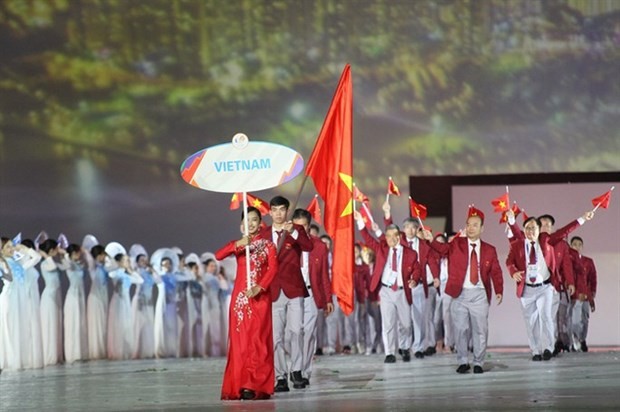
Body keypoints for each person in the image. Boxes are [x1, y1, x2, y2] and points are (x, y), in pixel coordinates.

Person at [423, 207, 503, 374]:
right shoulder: (457, 244)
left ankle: (479, 362)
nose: (471, 228)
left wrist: (499, 290)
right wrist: (431, 241)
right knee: (461, 329)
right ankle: (463, 360)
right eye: (468, 225)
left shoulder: (489, 249)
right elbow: (442, 249)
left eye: (475, 225)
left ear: (482, 228)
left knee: (480, 329)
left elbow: (496, 271)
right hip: (459, 294)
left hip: (479, 294)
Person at [506, 210, 591, 361]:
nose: (531, 231)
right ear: (524, 230)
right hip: (526, 289)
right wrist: (513, 272)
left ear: (540, 230)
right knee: (531, 321)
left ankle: (548, 348)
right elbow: (509, 262)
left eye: (534, 228)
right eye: (528, 228)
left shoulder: (547, 240)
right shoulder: (519, 244)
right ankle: (536, 351)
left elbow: (565, 230)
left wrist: (582, 219)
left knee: (546, 317)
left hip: (545, 287)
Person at [217, 206, 278, 400]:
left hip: (260, 298)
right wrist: (238, 244)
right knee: (241, 343)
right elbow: (218, 255)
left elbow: (273, 269)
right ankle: (243, 384)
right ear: (242, 224)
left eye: (254, 220)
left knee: (259, 342)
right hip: (241, 301)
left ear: (260, 222)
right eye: (247, 220)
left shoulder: (268, 246)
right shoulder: (240, 245)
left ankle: (256, 384)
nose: (251, 223)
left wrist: (260, 287)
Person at [354, 210, 421, 364]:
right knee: (388, 323)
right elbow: (367, 238)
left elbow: (417, 269)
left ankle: (404, 347)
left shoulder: (410, 254)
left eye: (393, 236)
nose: (390, 239)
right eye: (387, 236)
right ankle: (389, 352)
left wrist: (414, 280)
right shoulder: (382, 249)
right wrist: (361, 223)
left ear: (399, 236)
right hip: (385, 291)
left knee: (405, 324)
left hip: (402, 291)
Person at [260, 196, 313, 391]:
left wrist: (294, 233)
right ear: (270, 212)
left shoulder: (296, 230)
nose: (279, 213)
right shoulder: (263, 234)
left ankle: (297, 370)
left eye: (282, 209)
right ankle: (280, 376)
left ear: (287, 211)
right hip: (272, 290)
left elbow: (309, 247)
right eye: (275, 210)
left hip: (294, 289)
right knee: (276, 337)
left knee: (296, 331)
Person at [382, 200, 438, 359]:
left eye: (414, 227)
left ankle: (418, 347)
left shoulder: (424, 245)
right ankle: (403, 346)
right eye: (408, 227)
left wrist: (435, 277)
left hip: (419, 286)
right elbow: (389, 229)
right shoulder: (398, 242)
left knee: (418, 317)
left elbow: (432, 261)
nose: (411, 230)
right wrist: (387, 214)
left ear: (417, 229)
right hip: (401, 287)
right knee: (402, 320)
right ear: (404, 229)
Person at [292, 208, 332, 386]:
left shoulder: (319, 246)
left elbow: (324, 275)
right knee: (293, 334)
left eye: (304, 227)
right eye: (297, 226)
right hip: (291, 294)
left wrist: (328, 299)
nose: (300, 230)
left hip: (311, 294)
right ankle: (294, 368)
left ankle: (304, 371)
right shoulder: (286, 243)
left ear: (309, 226)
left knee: (308, 334)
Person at [537, 214, 576, 356]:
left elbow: (566, 265)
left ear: (552, 227)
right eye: (542, 224)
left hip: (553, 285)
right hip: (534, 287)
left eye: (548, 224)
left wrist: (570, 282)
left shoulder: (561, 244)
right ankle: (540, 347)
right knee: (538, 318)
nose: (545, 227)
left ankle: (549, 346)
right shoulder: (533, 241)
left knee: (550, 317)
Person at [0, 238, 40, 370]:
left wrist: (24, 249)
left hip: (19, 298)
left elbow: (36, 257)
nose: (12, 249)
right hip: (9, 297)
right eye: (8, 247)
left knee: (18, 327)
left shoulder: (18, 263)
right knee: (10, 328)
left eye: (12, 246)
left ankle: (16, 360)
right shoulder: (2, 263)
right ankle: (9, 360)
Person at [107, 253, 144, 360]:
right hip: (118, 301)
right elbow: (111, 275)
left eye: (128, 260)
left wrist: (131, 271)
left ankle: (125, 351)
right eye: (125, 260)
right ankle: (117, 351)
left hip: (126, 301)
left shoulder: (127, 275)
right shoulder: (115, 273)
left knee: (126, 325)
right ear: (119, 262)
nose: (127, 262)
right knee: (118, 324)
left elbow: (140, 280)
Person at [39, 239, 68, 366]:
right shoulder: (45, 263)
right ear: (51, 251)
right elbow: (51, 266)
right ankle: (49, 356)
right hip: (49, 298)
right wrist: (45, 255)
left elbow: (67, 266)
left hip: (56, 297)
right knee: (50, 326)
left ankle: (56, 355)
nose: (58, 251)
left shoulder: (55, 263)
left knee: (56, 325)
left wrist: (64, 254)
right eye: (56, 249)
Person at [569, 236, 597, 352]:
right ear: (571, 246)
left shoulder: (588, 262)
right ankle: (575, 340)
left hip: (585, 295)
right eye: (574, 244)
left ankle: (582, 339)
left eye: (579, 244)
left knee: (584, 320)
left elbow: (593, 279)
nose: (577, 246)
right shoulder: (568, 261)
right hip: (573, 296)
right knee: (574, 320)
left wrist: (592, 294)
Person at [132, 253, 161, 359]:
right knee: (140, 325)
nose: (144, 262)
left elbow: (159, 280)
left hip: (149, 302)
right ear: (138, 262)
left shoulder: (149, 272)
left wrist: (152, 269)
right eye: (141, 260)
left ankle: (148, 351)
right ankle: (138, 350)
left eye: (145, 260)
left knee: (149, 326)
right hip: (140, 301)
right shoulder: (137, 272)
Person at [63, 244, 89, 363]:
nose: (79, 255)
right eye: (77, 253)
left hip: (80, 296)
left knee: (80, 324)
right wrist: (65, 253)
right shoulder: (68, 263)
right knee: (73, 325)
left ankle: (81, 353)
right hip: (72, 297)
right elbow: (67, 263)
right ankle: (72, 354)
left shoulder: (79, 264)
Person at [87, 245, 110, 360]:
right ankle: (96, 352)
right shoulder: (93, 267)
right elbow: (89, 258)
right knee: (97, 326)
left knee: (102, 325)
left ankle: (102, 351)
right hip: (95, 299)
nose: (105, 256)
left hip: (102, 298)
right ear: (99, 255)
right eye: (103, 254)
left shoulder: (104, 267)